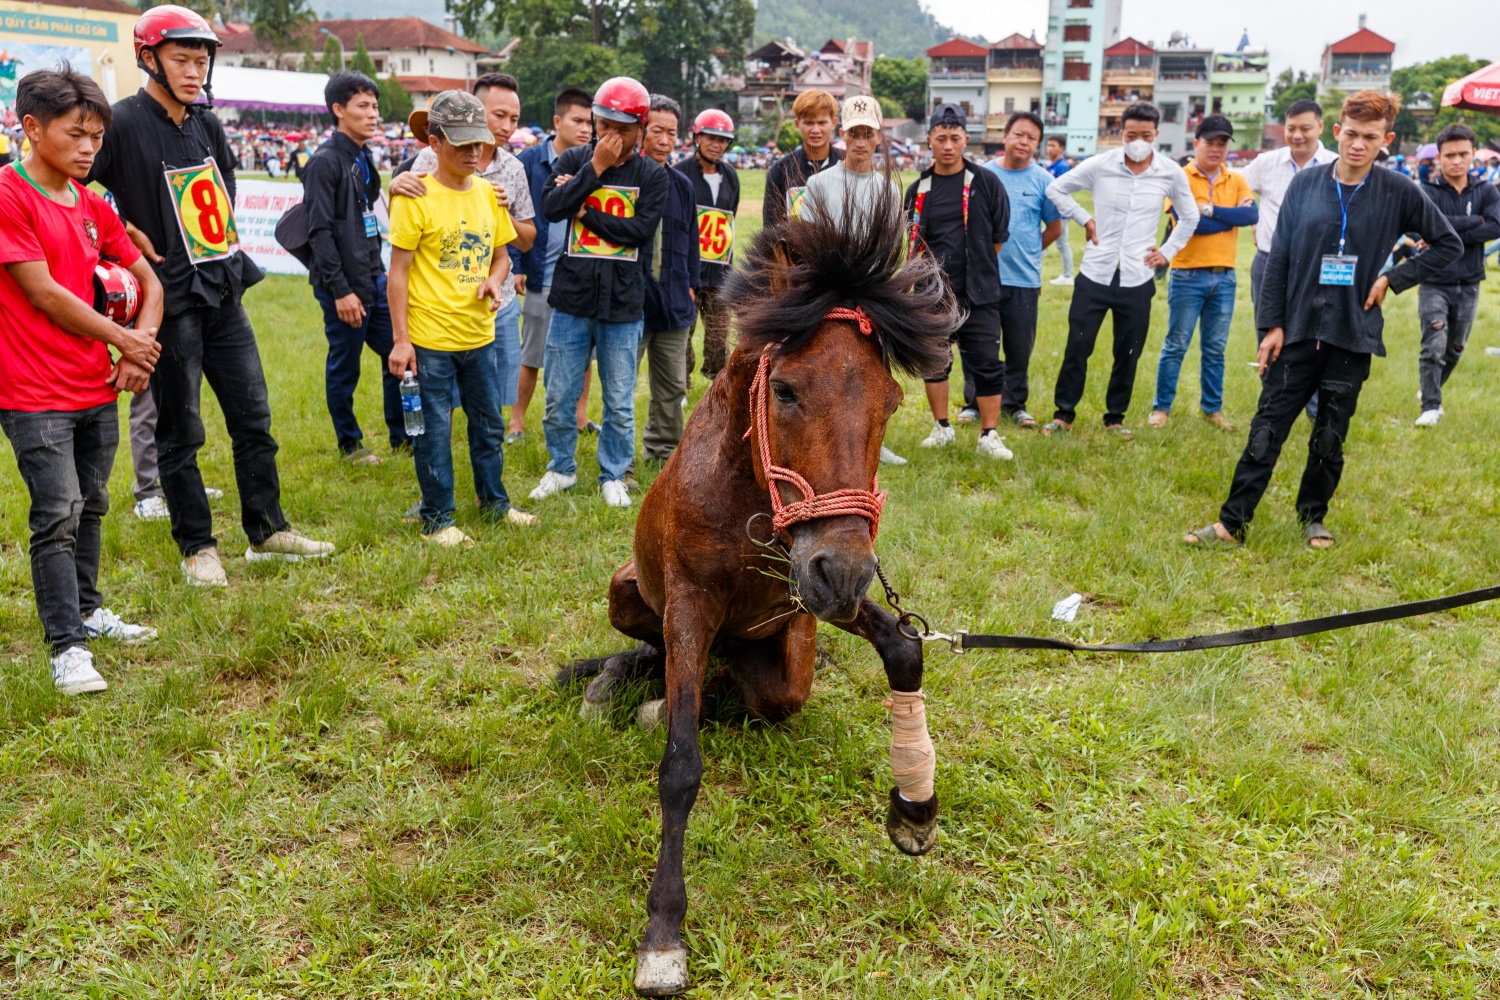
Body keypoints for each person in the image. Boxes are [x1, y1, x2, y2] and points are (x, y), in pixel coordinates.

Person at [90, 5, 332, 587]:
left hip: (225, 291)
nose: (195, 70)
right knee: (182, 430)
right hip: (168, 303)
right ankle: (197, 546)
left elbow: (220, 193)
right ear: (149, 59)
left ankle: (267, 530)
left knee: (255, 418)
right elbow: (69, 192)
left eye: (202, 59)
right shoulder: (120, 122)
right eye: (182, 59)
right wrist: (120, 238)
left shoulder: (209, 122)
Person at [1184, 91, 1461, 550]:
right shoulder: (1306, 184)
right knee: (1266, 427)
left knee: (1331, 433)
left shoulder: (1399, 191)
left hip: (1353, 332)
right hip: (1297, 328)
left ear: (1385, 139)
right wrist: (1271, 324)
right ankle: (1233, 523)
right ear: (1337, 131)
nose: (1358, 144)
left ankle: (1313, 516)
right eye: (1351, 134)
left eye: (1370, 137)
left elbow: (1447, 243)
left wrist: (1394, 278)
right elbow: (1280, 258)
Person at [0, 67, 165, 693]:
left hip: (95, 385)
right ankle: (65, 648)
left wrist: (137, 351)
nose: (90, 148)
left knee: (92, 505)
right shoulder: (10, 194)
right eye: (76, 134)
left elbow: (151, 281)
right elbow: (41, 292)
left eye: (96, 135)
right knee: (57, 513)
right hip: (31, 392)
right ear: (33, 128)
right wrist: (122, 338)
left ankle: (90, 612)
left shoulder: (94, 205)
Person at [385, 91, 537, 547]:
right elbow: (398, 274)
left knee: (488, 424)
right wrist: (401, 340)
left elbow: (503, 257)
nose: (474, 154)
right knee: (433, 431)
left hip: (480, 334)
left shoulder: (490, 196)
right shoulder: (415, 196)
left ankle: (495, 503)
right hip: (430, 339)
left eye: (480, 144)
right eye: (463, 145)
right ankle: (437, 518)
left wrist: (494, 280)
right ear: (434, 142)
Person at [529, 77, 668, 509]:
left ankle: (613, 474)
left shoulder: (652, 176)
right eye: (602, 125)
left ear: (640, 129)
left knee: (620, 401)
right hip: (571, 299)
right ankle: (561, 468)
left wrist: (585, 212)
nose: (609, 136)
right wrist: (596, 170)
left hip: (624, 305)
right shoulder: (573, 158)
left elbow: (638, 233)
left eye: (622, 129)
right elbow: (552, 208)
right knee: (559, 395)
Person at [1044, 102, 1199, 438]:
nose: (1138, 141)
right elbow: (1056, 188)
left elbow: (1190, 216)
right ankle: (1063, 415)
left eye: (1145, 135)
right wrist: (1084, 218)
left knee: (1127, 351)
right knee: (1078, 346)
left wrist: (1167, 251)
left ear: (1156, 134)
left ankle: (1115, 417)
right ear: (1121, 133)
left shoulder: (1170, 171)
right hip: (1095, 273)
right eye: (1131, 134)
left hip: (1137, 276)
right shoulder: (1101, 165)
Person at [391, 74, 538, 423]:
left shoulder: (514, 169)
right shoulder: (430, 158)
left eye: (514, 119)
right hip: (439, 306)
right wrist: (396, 185)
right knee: (442, 395)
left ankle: (498, 432)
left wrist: (501, 212)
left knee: (490, 397)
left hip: (492, 301)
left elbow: (527, 238)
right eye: (499, 115)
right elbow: (406, 211)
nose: (507, 126)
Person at [302, 71, 404, 465]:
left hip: (373, 277)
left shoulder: (363, 157)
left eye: (375, 106)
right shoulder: (324, 163)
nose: (373, 114)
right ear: (339, 110)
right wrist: (341, 291)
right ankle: (350, 444)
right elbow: (320, 233)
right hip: (342, 287)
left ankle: (403, 437)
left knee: (400, 355)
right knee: (345, 368)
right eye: (363, 106)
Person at [801, 93, 908, 466]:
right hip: (829, 290)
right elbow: (809, 241)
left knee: (873, 369)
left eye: (868, 133)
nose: (861, 142)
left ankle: (874, 441)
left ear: (879, 137)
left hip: (873, 291)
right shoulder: (820, 185)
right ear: (842, 135)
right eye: (854, 133)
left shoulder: (888, 189)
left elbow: (891, 244)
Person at [905, 102, 1013, 461]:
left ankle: (989, 433)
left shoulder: (985, 182)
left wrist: (977, 266)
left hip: (979, 292)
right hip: (932, 294)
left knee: (985, 360)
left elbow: (999, 235)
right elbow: (910, 240)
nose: (948, 145)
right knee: (935, 360)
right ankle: (942, 427)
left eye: (954, 138)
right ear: (929, 141)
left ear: (966, 139)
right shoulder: (919, 188)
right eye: (941, 138)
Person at [1148, 115, 1258, 431]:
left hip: (1224, 276)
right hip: (1187, 275)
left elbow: (1251, 214)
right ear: (1195, 143)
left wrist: (1208, 210)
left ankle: (1213, 409)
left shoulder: (1236, 179)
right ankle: (1162, 408)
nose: (1216, 149)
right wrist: (1227, 218)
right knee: (1176, 343)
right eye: (1209, 142)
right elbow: (1186, 224)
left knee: (1215, 348)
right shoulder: (1178, 177)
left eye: (1222, 143)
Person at [512, 87, 595, 443]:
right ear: (557, 121)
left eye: (591, 122)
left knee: (584, 354)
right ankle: (516, 421)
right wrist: (517, 264)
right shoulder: (529, 162)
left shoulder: (595, 162)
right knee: (531, 354)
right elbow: (515, 214)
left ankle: (580, 414)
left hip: (582, 275)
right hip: (542, 274)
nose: (586, 129)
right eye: (578, 120)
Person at [1413, 124, 1500, 427]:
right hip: (1434, 279)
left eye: (1463, 154)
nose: (1456, 161)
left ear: (1473, 154)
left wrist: (1444, 229)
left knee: (1455, 349)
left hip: (1471, 280)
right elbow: (1422, 228)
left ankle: (1429, 387)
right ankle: (1431, 405)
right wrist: (1474, 220)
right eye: (1450, 155)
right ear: (1439, 157)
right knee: (1433, 345)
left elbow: (1496, 226)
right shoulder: (1427, 191)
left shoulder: (1486, 190)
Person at [982, 111, 1062, 430]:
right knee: (982, 344)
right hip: (985, 277)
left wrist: (1029, 250)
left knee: (1019, 347)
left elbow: (1054, 228)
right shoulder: (982, 175)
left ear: (1037, 145)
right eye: (1018, 134)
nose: (1024, 141)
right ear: (1005, 137)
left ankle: (1014, 404)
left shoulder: (1044, 181)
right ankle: (975, 402)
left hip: (1024, 279)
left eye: (1032, 138)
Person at [636, 94, 699, 465]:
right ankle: (618, 465)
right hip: (635, 302)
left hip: (675, 303)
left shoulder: (682, 185)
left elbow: (691, 241)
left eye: (671, 132)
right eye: (656, 130)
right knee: (621, 388)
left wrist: (690, 286)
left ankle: (663, 456)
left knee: (673, 387)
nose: (664, 140)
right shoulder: (628, 178)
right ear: (642, 130)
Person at [676, 108, 739, 381]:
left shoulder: (732, 176)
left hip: (720, 274)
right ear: (697, 138)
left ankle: (717, 383)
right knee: (682, 333)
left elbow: (730, 216)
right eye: (710, 137)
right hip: (688, 272)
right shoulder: (680, 173)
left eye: (723, 139)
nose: (717, 144)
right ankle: (681, 382)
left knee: (718, 338)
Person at [763, 89, 841, 228]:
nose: (815, 130)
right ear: (797, 124)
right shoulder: (780, 171)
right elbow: (770, 228)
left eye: (822, 123)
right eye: (809, 123)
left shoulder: (849, 165)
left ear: (834, 123)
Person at [1044, 135, 1075, 286]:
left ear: (1061, 148)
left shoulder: (1062, 167)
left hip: (1059, 213)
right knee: (1052, 243)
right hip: (1052, 212)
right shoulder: (1053, 165)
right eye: (1048, 145)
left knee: (1060, 244)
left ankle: (1068, 275)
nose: (1049, 149)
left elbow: (1062, 191)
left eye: (1053, 146)